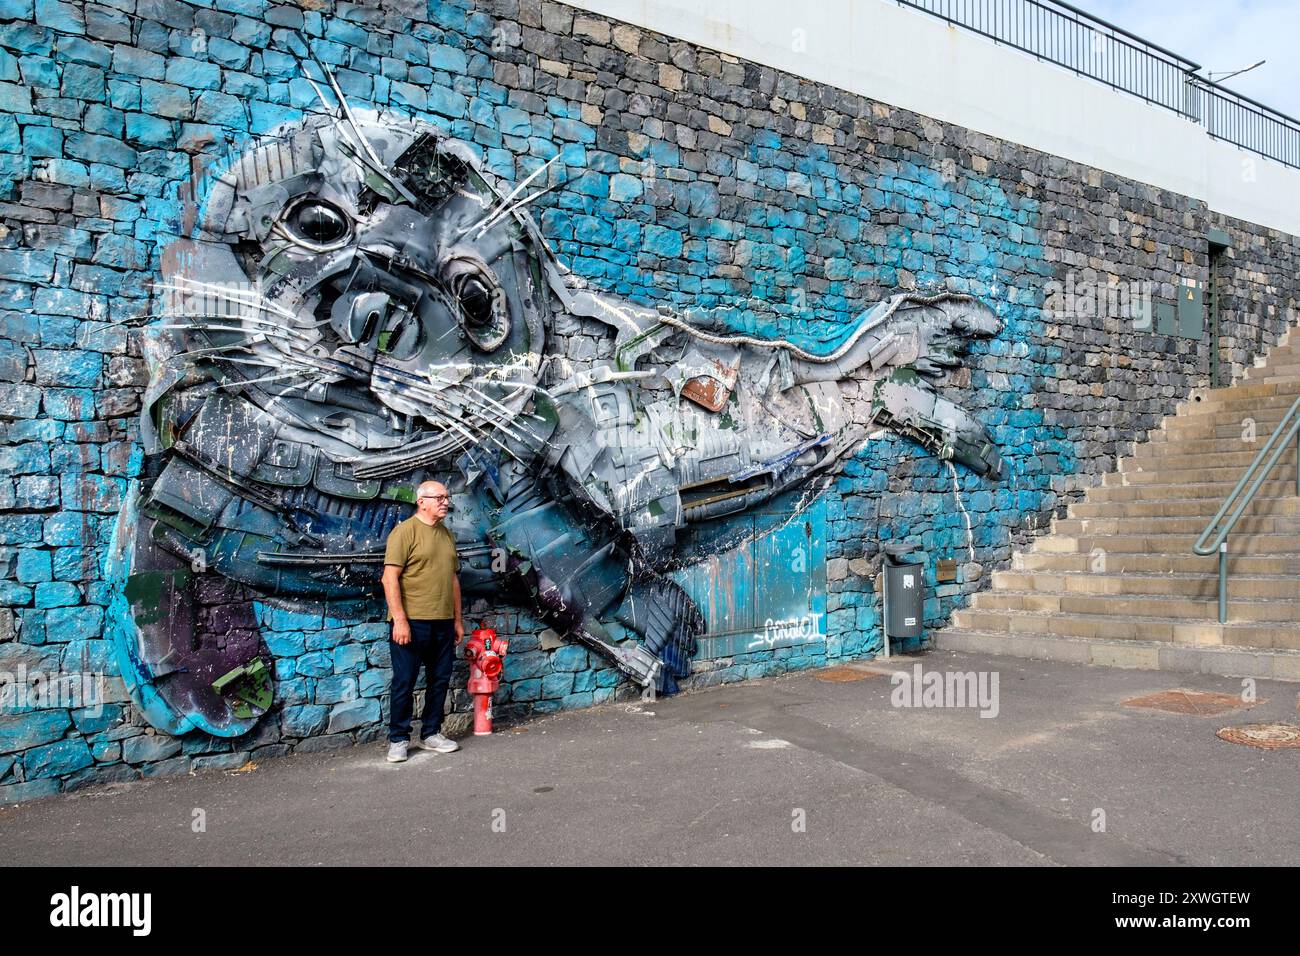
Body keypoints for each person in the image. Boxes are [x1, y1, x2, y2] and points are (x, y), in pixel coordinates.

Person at [381, 479, 465, 762]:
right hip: (412, 621)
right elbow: (389, 578)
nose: (445, 501)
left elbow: (453, 579)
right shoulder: (404, 533)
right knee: (404, 681)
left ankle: (431, 733)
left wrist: (457, 619)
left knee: (439, 679)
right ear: (422, 501)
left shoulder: (446, 534)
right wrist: (400, 621)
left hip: (442, 621)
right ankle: (398, 739)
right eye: (439, 497)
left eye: (446, 496)